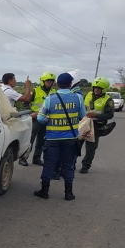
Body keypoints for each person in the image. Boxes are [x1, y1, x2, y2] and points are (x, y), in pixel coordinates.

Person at [33, 72, 86, 201]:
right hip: (70, 139)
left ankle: (44, 191)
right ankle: (69, 193)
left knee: (49, 164)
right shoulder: (78, 98)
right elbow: (82, 115)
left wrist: (49, 121)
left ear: (57, 84)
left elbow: (40, 117)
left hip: (52, 138)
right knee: (68, 165)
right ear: (70, 84)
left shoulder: (50, 98)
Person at [19, 71, 56, 166]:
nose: (49, 83)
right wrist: (31, 113)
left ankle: (37, 158)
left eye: (51, 81)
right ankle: (23, 158)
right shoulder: (35, 91)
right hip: (35, 119)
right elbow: (25, 103)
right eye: (48, 81)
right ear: (43, 81)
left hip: (47, 119)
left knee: (42, 140)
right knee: (30, 139)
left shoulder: (54, 92)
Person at [52, 70, 84, 180]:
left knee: (61, 155)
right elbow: (82, 114)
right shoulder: (78, 94)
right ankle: (68, 189)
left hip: (60, 132)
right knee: (69, 155)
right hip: (71, 131)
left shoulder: (75, 94)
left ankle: (57, 173)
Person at [79, 76, 114, 174]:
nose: (96, 90)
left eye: (99, 88)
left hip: (96, 126)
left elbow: (110, 115)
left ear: (104, 89)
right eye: (95, 88)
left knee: (91, 148)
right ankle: (71, 163)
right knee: (76, 144)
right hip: (84, 123)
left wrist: (96, 115)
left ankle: (86, 165)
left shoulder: (108, 100)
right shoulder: (88, 94)